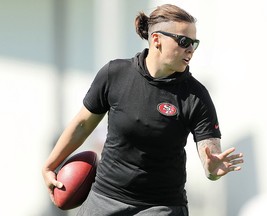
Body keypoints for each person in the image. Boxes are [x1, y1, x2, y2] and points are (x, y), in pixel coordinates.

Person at [42, 4, 244, 216]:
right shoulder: (115, 74)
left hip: (160, 207)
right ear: (157, 39)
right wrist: (50, 165)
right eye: (184, 41)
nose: (190, 49)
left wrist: (213, 171)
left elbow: (210, 158)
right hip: (105, 199)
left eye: (195, 43)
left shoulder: (196, 96)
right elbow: (82, 125)